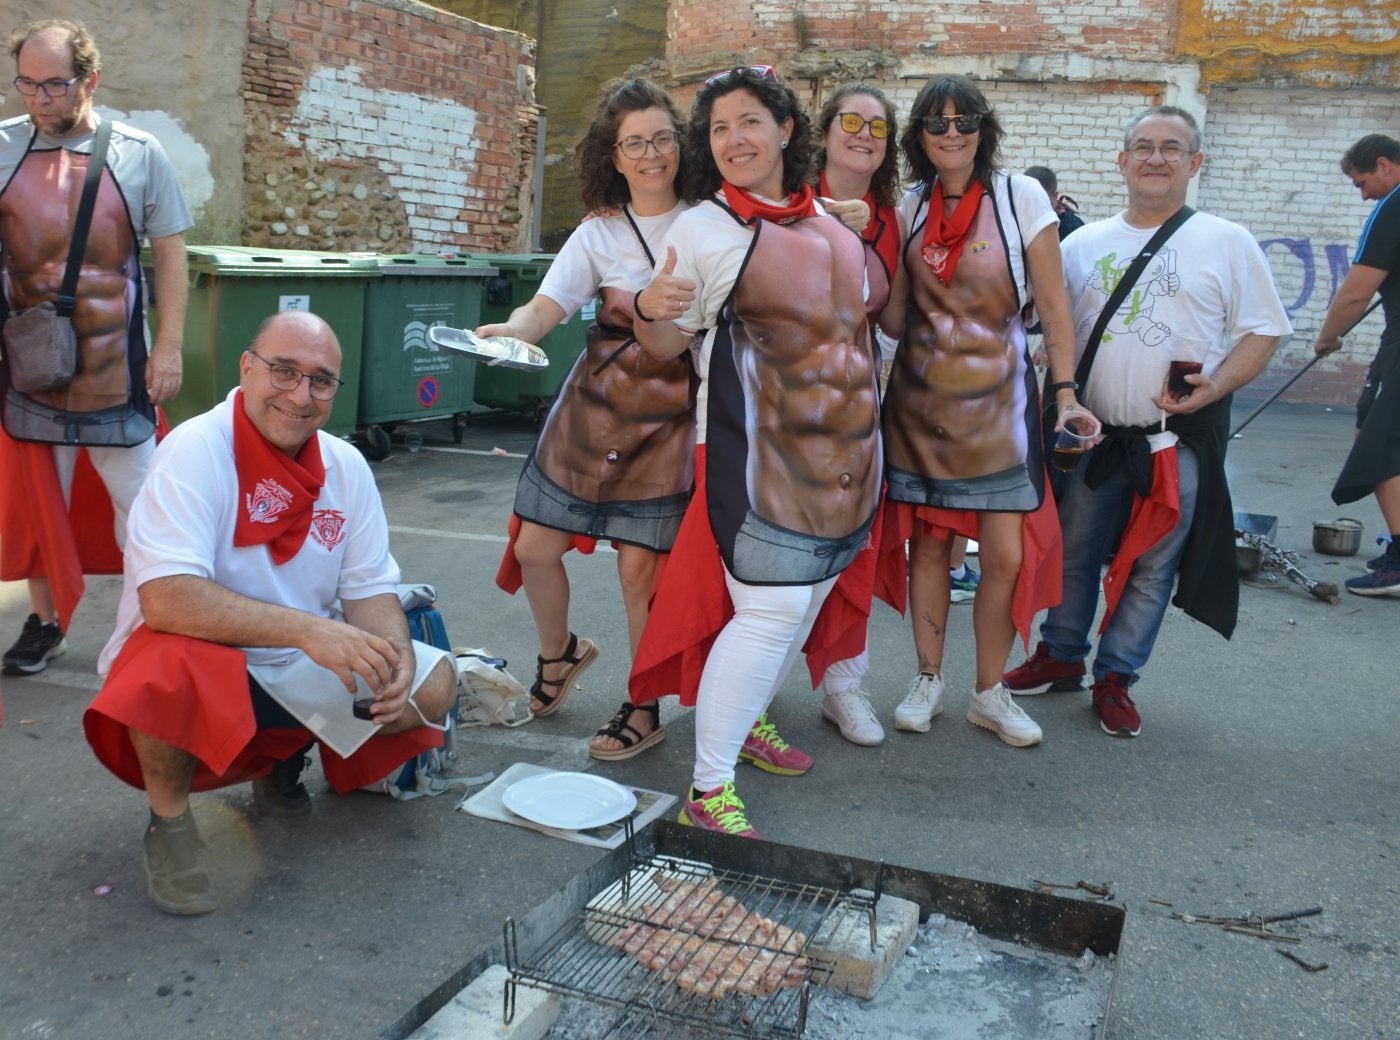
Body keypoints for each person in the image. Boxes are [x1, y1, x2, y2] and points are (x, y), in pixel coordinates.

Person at [82, 312, 459, 915]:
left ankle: (280, 763)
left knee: (433, 685)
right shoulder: (195, 450)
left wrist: (398, 658)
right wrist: (312, 631)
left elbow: (369, 588)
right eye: (284, 371)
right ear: (247, 368)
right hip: (210, 657)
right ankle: (169, 823)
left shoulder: (346, 465)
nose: (300, 395)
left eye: (321, 381)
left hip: (297, 657)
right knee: (167, 665)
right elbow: (169, 598)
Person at [628, 65, 882, 837]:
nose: (733, 139)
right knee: (770, 609)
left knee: (800, 601)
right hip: (752, 453)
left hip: (844, 459)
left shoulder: (831, 224)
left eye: (748, 121)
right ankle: (710, 789)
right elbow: (666, 342)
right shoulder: (702, 229)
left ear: (784, 130)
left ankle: (747, 724)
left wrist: (854, 226)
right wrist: (647, 308)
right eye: (717, 128)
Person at [1004, 105, 1291, 736]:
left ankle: (1116, 676)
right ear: (1121, 160)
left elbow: (1264, 331)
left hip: (1177, 438)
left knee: (1153, 563)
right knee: (1074, 552)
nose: (1155, 157)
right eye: (1142, 146)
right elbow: (1042, 323)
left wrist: (1216, 385)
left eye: (1170, 147)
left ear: (1194, 163)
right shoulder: (1080, 244)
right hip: (1095, 435)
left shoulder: (1226, 241)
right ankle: (1061, 654)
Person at [482, 79, 697, 760]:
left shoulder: (707, 220)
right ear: (614, 154)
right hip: (590, 410)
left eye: (662, 137)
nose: (650, 153)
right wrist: (513, 333)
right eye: (634, 142)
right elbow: (544, 308)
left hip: (668, 417)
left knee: (640, 571)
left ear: (680, 144)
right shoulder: (598, 230)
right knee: (535, 548)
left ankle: (643, 703)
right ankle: (560, 654)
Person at [879, 74, 1084, 747]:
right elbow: (896, 314)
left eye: (964, 119)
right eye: (936, 123)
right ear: (918, 137)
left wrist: (1065, 393)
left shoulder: (1021, 196)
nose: (952, 132)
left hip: (1001, 401)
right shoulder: (909, 206)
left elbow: (1054, 306)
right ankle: (928, 678)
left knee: (1003, 553)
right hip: (921, 404)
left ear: (982, 127)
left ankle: (989, 693)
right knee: (930, 544)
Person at [0, 19, 189, 674]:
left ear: (90, 79)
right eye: (28, 83)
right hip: (27, 369)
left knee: (145, 511)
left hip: (117, 367)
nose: (40, 98)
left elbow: (170, 252)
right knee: (35, 511)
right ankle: (46, 622)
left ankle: (149, 625)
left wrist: (168, 348)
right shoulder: (0, 148)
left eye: (55, 84)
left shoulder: (140, 153)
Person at [1313, 133, 1400, 596]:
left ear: (1384, 165)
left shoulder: (1393, 205)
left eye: (1362, 182)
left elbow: (1356, 291)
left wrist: (1326, 338)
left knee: (1379, 442)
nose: (1363, 193)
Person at [1025, 165, 1085, 240]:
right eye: (1027, 200)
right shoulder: (1018, 221)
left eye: (1040, 201)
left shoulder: (1074, 228)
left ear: (1055, 196)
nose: (1032, 207)